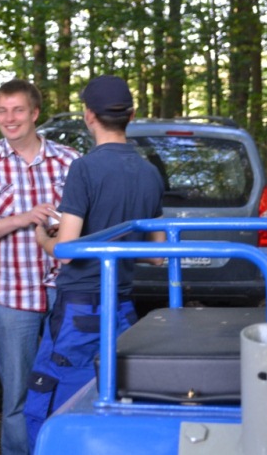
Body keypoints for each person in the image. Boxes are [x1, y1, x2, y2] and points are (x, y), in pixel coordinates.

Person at [23, 75, 166, 450]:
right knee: (112, 397)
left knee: (54, 400)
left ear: (89, 116)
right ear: (131, 116)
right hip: (123, 309)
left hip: (79, 310)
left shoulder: (84, 169)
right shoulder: (150, 172)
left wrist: (43, 237)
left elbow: (67, 249)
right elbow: (157, 253)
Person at [0, 79, 80, 455]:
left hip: (65, 289)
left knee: (68, 387)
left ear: (35, 113)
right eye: (2, 111)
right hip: (11, 294)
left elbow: (85, 221)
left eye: (18, 110)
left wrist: (60, 226)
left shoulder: (70, 160)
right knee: (17, 395)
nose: (9, 118)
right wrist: (23, 218)